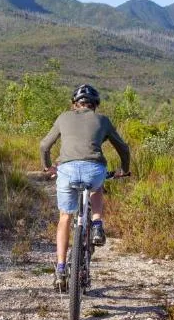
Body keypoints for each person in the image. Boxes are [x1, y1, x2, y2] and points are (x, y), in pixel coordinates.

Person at [40, 83, 131, 292]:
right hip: (94, 169)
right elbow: (123, 148)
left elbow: (44, 146)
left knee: (65, 217)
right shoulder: (103, 120)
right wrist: (123, 170)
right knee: (96, 187)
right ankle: (97, 224)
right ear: (95, 106)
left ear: (74, 104)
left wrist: (47, 166)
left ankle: (61, 269)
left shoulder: (64, 117)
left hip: (66, 170)